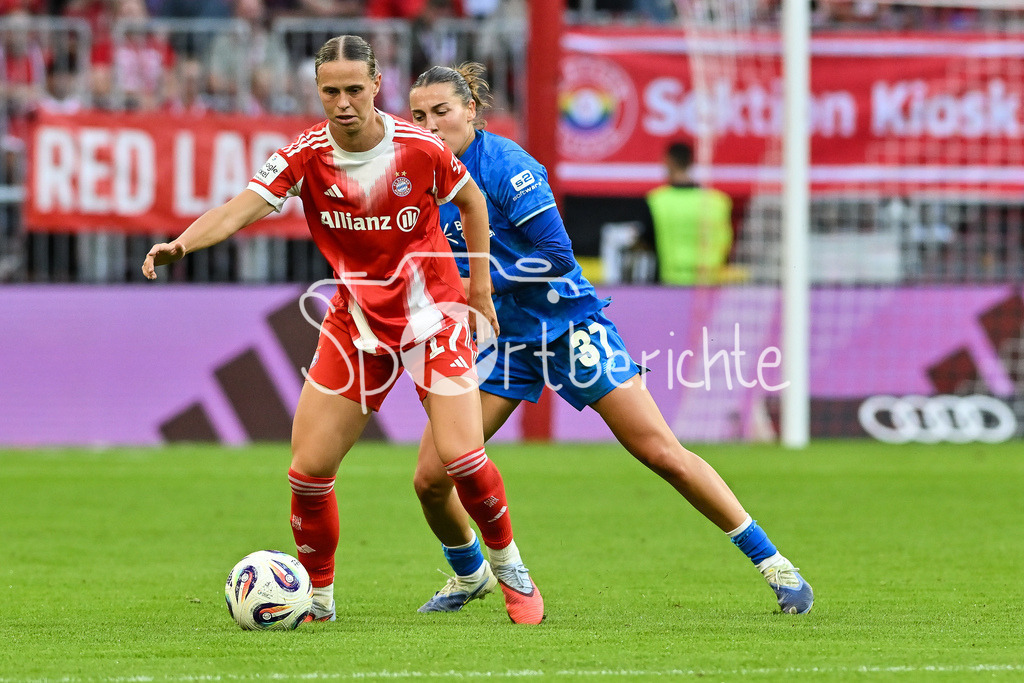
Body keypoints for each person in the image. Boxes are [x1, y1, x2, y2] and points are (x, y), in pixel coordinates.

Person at [141, 36, 544, 625]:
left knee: (461, 458)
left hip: (432, 318)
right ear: (318, 92)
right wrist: (181, 242)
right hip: (355, 326)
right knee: (307, 474)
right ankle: (318, 601)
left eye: (355, 89)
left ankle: (510, 570)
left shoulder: (419, 148)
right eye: (331, 91)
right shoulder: (303, 155)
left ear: (377, 86)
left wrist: (479, 291)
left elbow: (475, 203)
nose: (343, 102)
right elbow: (235, 210)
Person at [407, 63, 813, 615]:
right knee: (431, 478)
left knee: (661, 453)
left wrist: (482, 282)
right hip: (503, 342)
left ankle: (778, 568)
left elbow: (557, 257)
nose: (430, 126)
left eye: (442, 113)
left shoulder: (507, 166)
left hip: (568, 326)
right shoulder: (420, 178)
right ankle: (471, 573)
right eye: (418, 116)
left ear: (471, 112)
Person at [639, 141, 733, 286]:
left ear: (668, 162)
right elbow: (726, 240)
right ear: (691, 162)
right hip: (709, 285)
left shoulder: (657, 201)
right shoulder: (718, 202)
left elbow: (645, 241)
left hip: (671, 284)